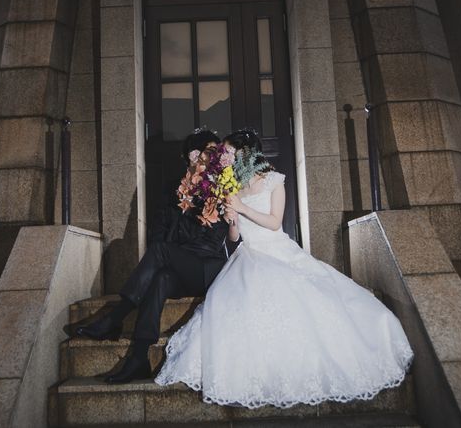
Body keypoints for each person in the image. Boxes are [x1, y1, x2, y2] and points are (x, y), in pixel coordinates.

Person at [155, 129, 414, 408]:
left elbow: (275, 222)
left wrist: (242, 208)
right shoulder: (232, 186)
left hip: (277, 250)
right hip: (247, 255)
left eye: (229, 152)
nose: (225, 158)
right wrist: (232, 220)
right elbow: (234, 238)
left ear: (245, 153)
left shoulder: (274, 181)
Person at [76, 129, 237, 384]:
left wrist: (195, 205)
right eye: (205, 152)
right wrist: (184, 199)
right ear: (192, 156)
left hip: (208, 267)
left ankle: (115, 318)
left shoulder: (221, 188)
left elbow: (211, 239)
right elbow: (160, 231)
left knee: (162, 252)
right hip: (179, 266)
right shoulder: (176, 189)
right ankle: (139, 357)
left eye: (213, 153)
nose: (210, 157)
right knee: (161, 277)